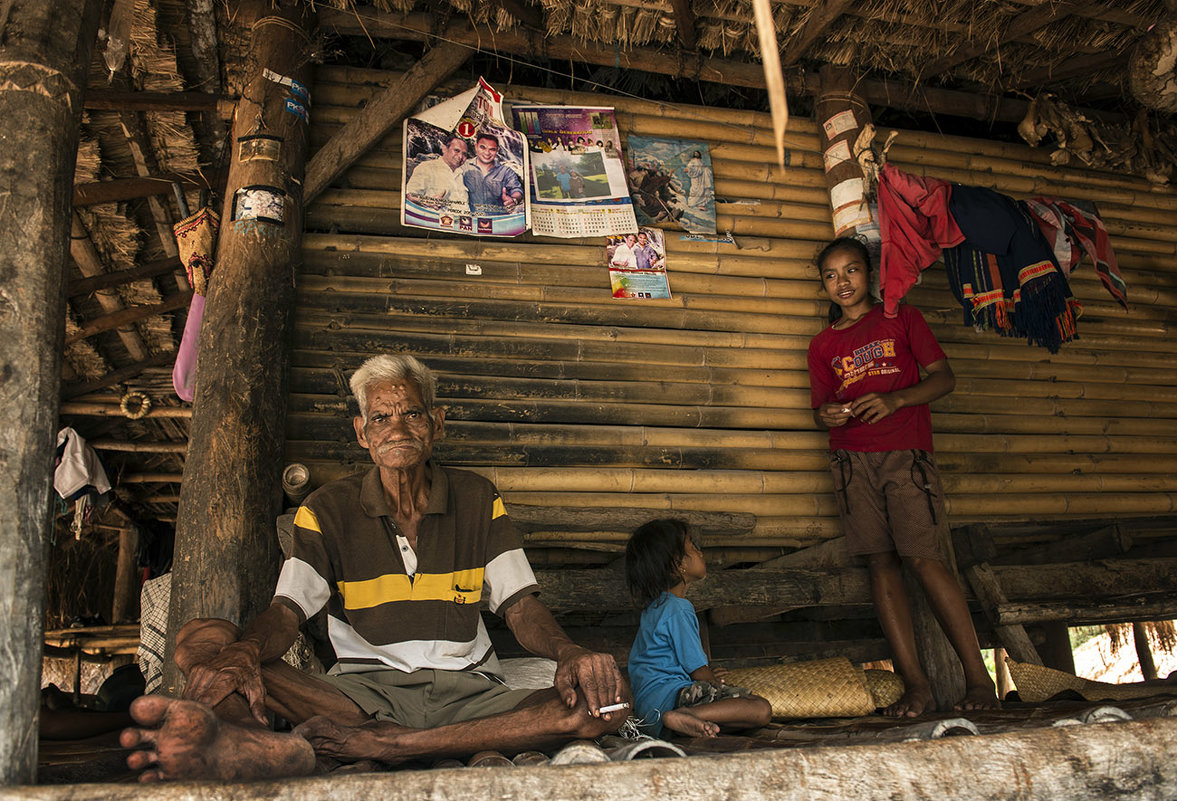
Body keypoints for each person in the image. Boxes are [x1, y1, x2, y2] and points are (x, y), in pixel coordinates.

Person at [120, 354, 627, 782]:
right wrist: (246, 654)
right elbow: (287, 612)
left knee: (610, 702)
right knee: (202, 640)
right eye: (381, 418)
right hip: (360, 697)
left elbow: (520, 608)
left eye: (412, 413)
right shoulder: (325, 509)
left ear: (437, 423)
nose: (398, 428)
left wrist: (571, 652)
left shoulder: (476, 497)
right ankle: (245, 742)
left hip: (470, 696)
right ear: (361, 432)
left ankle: (399, 746)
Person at [806, 237, 999, 718]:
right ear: (823, 284)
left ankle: (979, 681)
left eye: (850, 271)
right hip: (851, 461)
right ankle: (916, 686)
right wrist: (827, 414)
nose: (842, 282)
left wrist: (897, 399)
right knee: (880, 565)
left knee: (924, 560)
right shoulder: (823, 344)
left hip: (904, 456)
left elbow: (944, 377)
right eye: (831, 275)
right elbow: (818, 410)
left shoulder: (902, 318)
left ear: (869, 273)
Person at [625, 519, 772, 738]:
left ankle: (685, 721)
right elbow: (698, 671)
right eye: (692, 546)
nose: (700, 552)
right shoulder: (678, 608)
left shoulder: (653, 610)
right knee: (760, 709)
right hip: (673, 700)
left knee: (728, 722)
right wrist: (713, 681)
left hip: (649, 712)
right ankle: (687, 714)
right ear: (678, 564)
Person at [460, 132, 524, 217]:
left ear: (497, 150)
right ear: (476, 147)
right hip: (469, 220)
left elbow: (517, 190)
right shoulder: (463, 167)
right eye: (483, 147)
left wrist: (513, 200)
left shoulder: (506, 172)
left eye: (492, 149)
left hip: (498, 221)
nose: (487, 153)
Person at [404, 135, 469, 208]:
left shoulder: (462, 174)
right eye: (456, 151)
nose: (460, 156)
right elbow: (409, 195)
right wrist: (428, 201)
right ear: (444, 149)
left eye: (464, 154)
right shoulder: (427, 167)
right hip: (436, 218)